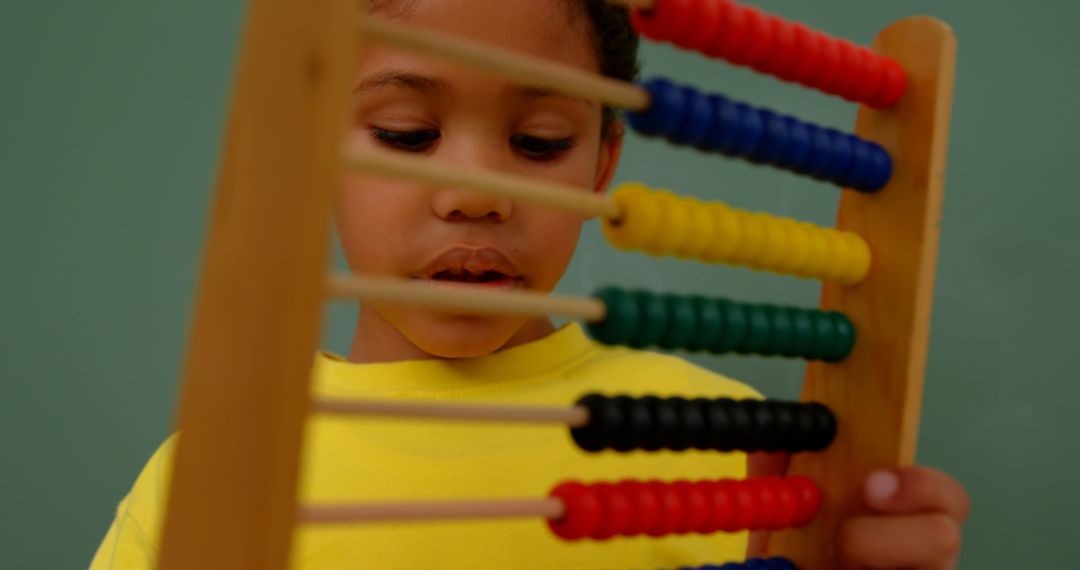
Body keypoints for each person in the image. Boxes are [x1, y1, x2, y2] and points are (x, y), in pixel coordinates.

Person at [91, 0, 968, 568]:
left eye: (540, 142)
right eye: (405, 133)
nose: (475, 193)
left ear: (600, 165)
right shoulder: (205, 476)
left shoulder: (744, 463)